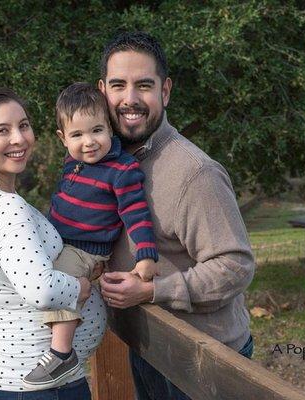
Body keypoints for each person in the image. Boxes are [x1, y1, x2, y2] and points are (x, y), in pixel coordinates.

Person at [98, 32, 256, 400]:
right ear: (102, 90)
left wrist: (153, 291)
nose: (130, 99)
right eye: (118, 85)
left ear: (165, 91)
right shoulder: (103, 160)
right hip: (151, 348)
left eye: (144, 85)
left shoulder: (194, 173)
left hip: (204, 363)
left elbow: (235, 265)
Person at [0, 87, 105, 399]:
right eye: (3, 130)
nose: (19, 138)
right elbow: (42, 289)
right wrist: (81, 286)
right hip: (33, 384)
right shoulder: (4, 208)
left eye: (24, 125)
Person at [23, 82, 159, 389]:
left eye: (97, 130)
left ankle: (61, 353)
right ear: (62, 139)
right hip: (59, 238)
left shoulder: (122, 169)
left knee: (62, 283)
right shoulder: (74, 161)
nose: (89, 142)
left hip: (85, 250)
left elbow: (136, 214)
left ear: (110, 128)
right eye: (77, 135)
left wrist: (146, 254)